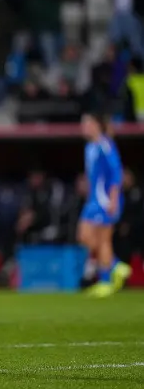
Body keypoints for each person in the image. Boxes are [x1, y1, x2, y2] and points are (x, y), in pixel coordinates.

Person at [77, 113, 132, 298]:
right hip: (93, 199)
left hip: (105, 200)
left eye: (86, 123)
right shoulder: (90, 147)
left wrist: (114, 199)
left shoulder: (105, 144)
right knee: (85, 237)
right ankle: (116, 266)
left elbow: (116, 173)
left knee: (102, 240)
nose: (83, 127)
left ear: (96, 125)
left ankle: (106, 280)